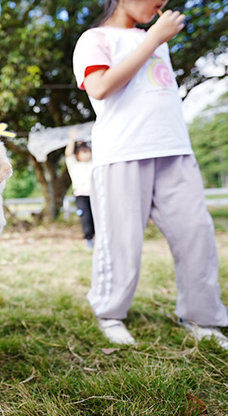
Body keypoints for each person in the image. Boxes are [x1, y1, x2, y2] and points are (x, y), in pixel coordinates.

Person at [72, 0, 228, 349]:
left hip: (174, 149)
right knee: (121, 239)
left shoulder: (157, 39)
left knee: (197, 233)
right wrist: (153, 39)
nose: (163, 2)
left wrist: (154, 38)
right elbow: (99, 87)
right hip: (123, 151)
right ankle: (110, 313)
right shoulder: (95, 38)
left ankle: (203, 317)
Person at [64, 132, 94, 249]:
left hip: (94, 195)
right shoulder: (74, 165)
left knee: (96, 217)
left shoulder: (94, 163)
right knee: (85, 217)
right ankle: (88, 239)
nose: (87, 155)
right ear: (78, 154)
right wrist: (72, 139)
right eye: (84, 152)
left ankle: (99, 238)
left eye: (88, 152)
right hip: (81, 195)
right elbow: (68, 154)